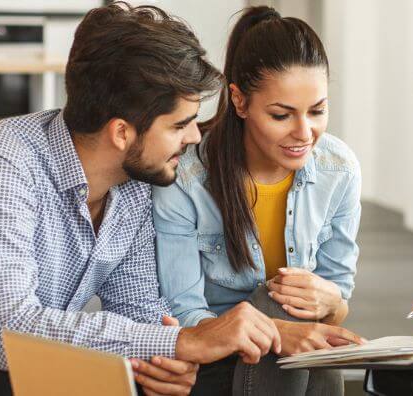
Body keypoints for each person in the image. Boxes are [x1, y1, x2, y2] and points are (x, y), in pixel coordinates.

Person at [0, 3, 278, 395]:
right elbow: (10, 333)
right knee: (52, 383)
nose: (195, 138)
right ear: (121, 132)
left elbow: (138, 315)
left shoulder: (138, 184)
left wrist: (163, 359)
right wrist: (179, 345)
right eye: (180, 125)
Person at [153, 6, 363, 395]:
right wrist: (281, 332)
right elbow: (184, 315)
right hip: (212, 362)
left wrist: (331, 302)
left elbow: (337, 305)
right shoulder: (185, 177)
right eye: (282, 115)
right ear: (240, 101)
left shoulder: (339, 169)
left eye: (317, 111)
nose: (305, 132)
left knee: (311, 330)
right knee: (276, 301)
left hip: (292, 365)